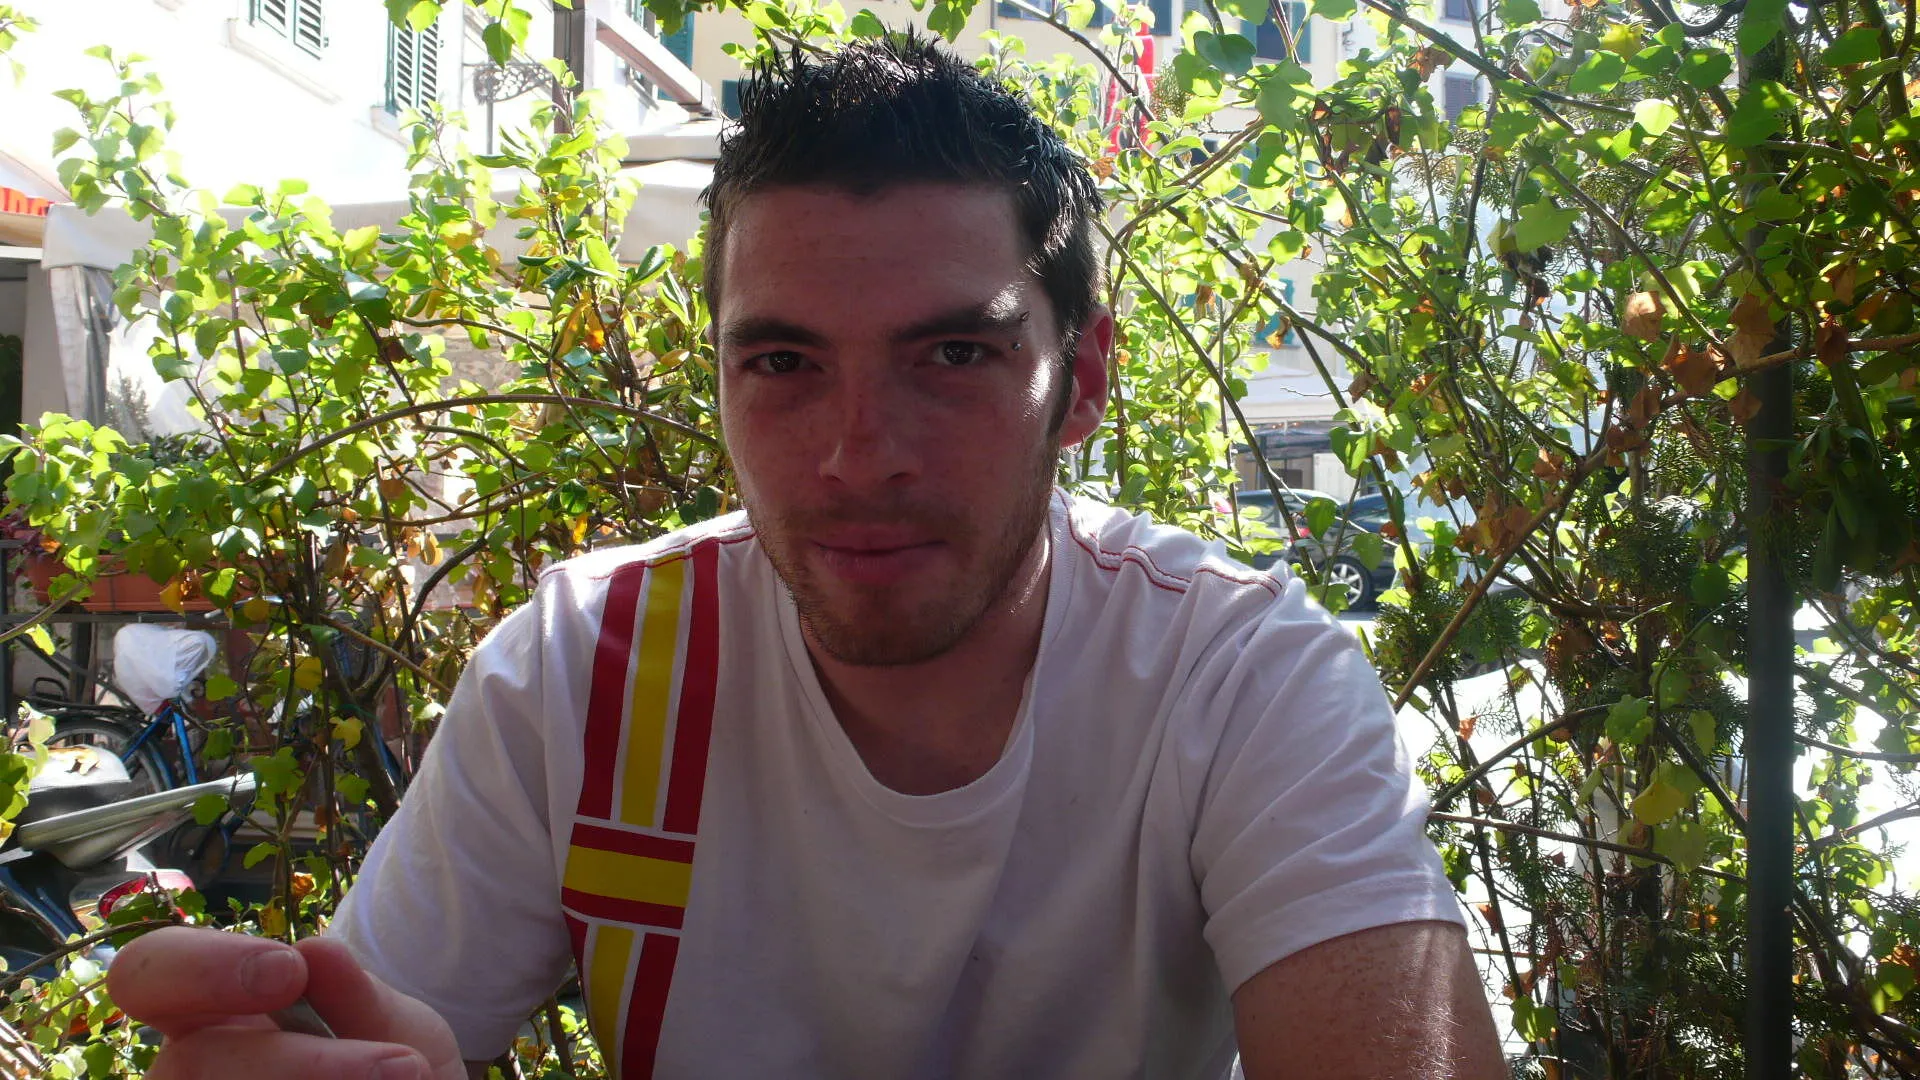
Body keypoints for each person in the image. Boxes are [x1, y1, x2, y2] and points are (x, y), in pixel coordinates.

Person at [109, 33, 1504, 1080]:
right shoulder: (588, 672)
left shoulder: (1237, 680)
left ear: (1080, 383)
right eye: (783, 363)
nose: (857, 456)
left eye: (951, 356)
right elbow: (386, 1025)